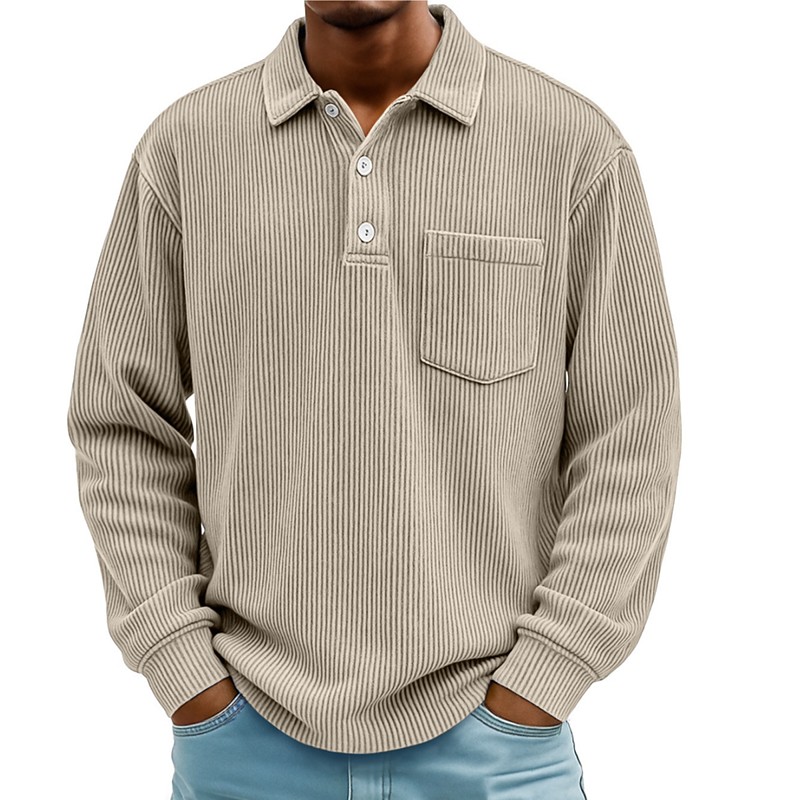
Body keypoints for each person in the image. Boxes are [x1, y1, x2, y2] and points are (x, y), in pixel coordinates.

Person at [66, 2, 681, 798]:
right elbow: (120, 421)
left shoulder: (571, 147)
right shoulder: (186, 150)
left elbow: (633, 434)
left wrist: (544, 679)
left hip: (496, 753)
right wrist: (183, 669)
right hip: (245, 750)